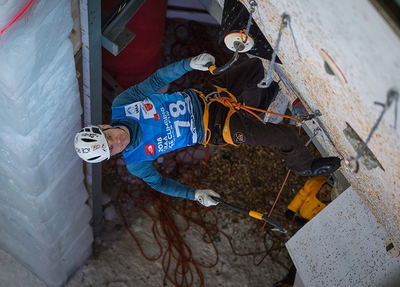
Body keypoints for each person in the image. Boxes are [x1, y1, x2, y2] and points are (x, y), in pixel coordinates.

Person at [74, 53, 341, 207]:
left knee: (256, 67)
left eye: (109, 136)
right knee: (285, 136)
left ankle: (257, 108)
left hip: (206, 96)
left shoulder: (123, 105)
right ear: (113, 155)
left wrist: (188, 64)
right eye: (113, 147)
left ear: (103, 126)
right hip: (215, 128)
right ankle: (303, 166)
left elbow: (156, 80)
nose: (117, 140)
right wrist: (194, 194)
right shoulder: (136, 162)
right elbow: (160, 183)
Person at [273, 175, 335, 287]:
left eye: (330, 192)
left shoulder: (330, 207)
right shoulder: (313, 184)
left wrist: (305, 223)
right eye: (325, 188)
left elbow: (320, 224)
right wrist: (292, 209)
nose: (325, 193)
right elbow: (301, 196)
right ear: (322, 185)